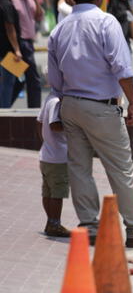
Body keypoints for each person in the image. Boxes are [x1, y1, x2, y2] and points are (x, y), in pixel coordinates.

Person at [47, 0, 133, 247]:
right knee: (120, 167)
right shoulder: (107, 23)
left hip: (71, 105)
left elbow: (54, 79)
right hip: (102, 107)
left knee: (79, 168)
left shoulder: (59, 29)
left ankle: (89, 225)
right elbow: (123, 69)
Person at [37, 93, 70, 237]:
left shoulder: (50, 98)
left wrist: (46, 142)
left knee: (48, 192)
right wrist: (73, 127)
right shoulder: (58, 102)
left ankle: (51, 222)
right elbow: (55, 125)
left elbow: (39, 122)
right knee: (57, 194)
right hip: (58, 158)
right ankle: (55, 224)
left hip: (47, 155)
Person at [11, 0, 43, 107]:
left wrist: (36, 0)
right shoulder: (14, 0)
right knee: (33, 78)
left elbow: (39, 17)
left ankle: (5, 104)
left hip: (29, 42)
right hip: (21, 42)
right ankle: (35, 109)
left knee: (19, 79)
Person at [0, 0, 23, 108]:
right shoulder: (7, 4)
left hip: (5, 51)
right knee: (9, 84)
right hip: (9, 53)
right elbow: (10, 28)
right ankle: (4, 113)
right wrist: (17, 49)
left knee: (15, 82)